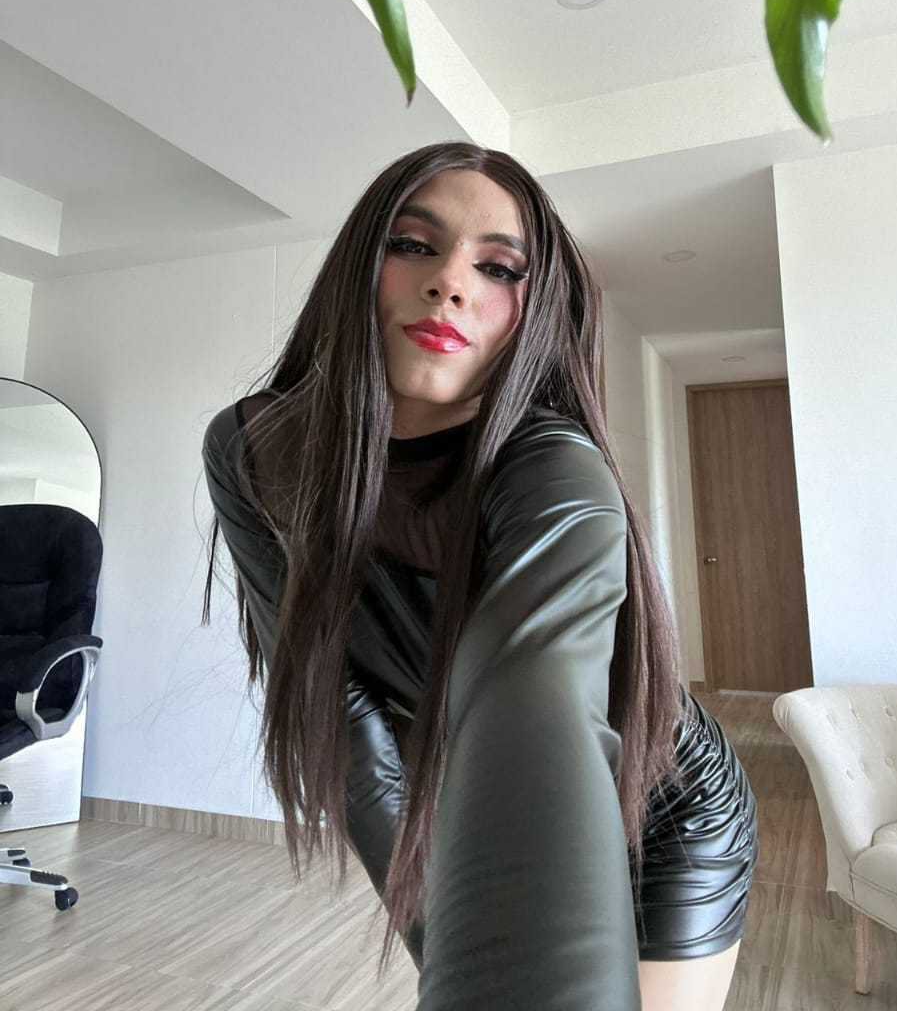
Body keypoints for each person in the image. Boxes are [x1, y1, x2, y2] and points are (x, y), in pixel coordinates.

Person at [200, 142, 759, 1009]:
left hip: (669, 809)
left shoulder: (551, 467)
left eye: (497, 268)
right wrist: (450, 942)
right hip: (471, 796)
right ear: (359, 267)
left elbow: (539, 697)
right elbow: (333, 708)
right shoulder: (252, 448)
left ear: (532, 313)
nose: (449, 283)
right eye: (413, 245)